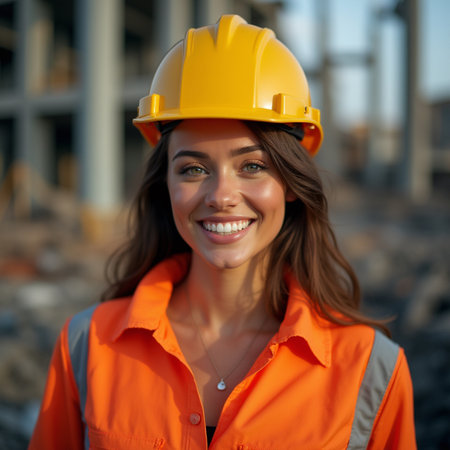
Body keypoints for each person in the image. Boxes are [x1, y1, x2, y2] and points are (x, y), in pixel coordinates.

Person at [29, 15, 416, 449]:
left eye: (252, 166)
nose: (221, 196)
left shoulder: (370, 370)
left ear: (290, 183)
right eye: (193, 169)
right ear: (166, 187)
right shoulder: (87, 345)